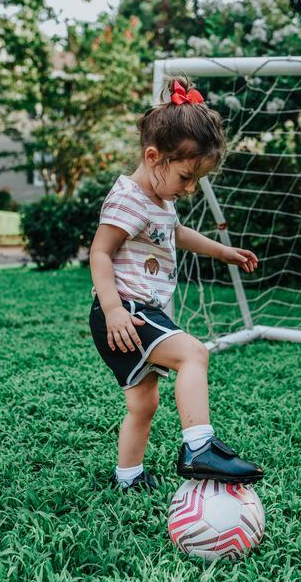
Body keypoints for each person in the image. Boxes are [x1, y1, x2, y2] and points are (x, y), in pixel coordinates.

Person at [89, 76, 263, 492]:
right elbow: (99, 252)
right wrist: (113, 310)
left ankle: (128, 478)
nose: (189, 188)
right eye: (187, 177)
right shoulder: (128, 198)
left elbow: (175, 233)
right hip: (126, 311)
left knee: (143, 404)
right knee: (192, 353)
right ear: (153, 157)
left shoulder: (159, 201)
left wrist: (223, 252)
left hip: (140, 312)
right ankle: (199, 447)